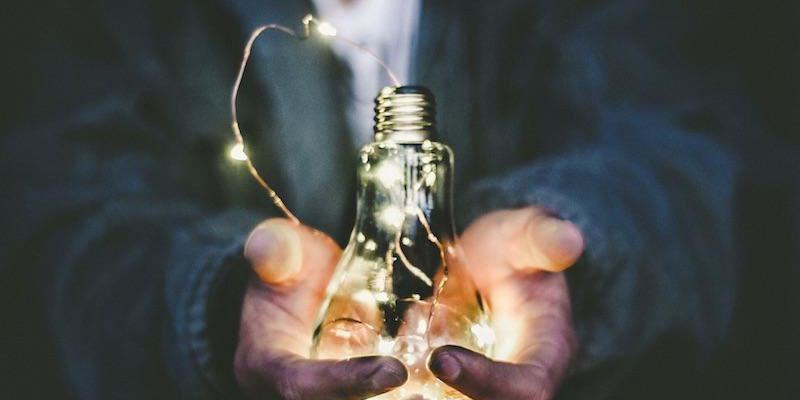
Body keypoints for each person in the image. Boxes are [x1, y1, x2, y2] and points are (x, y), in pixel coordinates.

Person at [2, 0, 792, 399]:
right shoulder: (129, 23)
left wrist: (575, 253)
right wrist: (214, 304)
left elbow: (685, 149)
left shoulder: (571, 19)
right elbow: (56, 219)